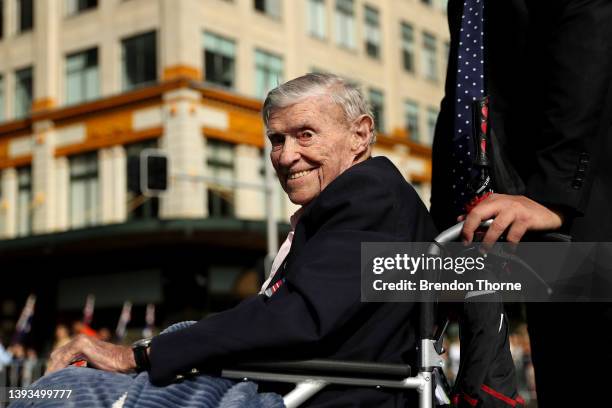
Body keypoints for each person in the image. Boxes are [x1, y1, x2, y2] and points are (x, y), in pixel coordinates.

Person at [41, 73, 437, 407]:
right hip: (283, 382)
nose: (285, 156)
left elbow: (300, 319)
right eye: (277, 140)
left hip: (304, 394)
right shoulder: (359, 199)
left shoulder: (369, 196)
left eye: (305, 134)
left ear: (360, 135)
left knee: (60, 392)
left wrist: (137, 354)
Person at [432, 1, 612, 407]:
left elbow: (588, 43)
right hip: (533, 232)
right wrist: (440, 225)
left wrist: (552, 197)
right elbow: (461, 100)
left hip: (582, 208)